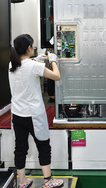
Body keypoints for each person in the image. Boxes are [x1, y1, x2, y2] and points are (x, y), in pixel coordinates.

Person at [9, 34, 63, 188]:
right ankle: (48, 181)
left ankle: (23, 182)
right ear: (28, 48)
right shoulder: (34, 67)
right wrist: (53, 60)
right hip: (33, 115)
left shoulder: (12, 64)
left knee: (20, 148)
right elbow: (56, 76)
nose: (34, 48)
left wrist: (36, 60)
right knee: (43, 146)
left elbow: (26, 66)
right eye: (32, 46)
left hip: (17, 114)